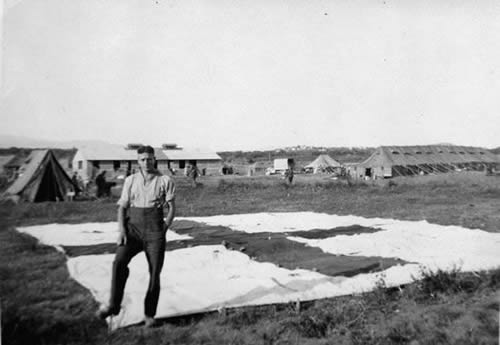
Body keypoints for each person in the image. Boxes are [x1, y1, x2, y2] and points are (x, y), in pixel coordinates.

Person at [96, 145, 176, 328]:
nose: (146, 162)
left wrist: (164, 228)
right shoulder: (131, 180)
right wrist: (122, 231)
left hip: (155, 230)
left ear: (154, 159)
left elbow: (172, 208)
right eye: (142, 159)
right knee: (119, 262)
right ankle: (113, 305)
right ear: (137, 161)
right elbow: (122, 207)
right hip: (132, 229)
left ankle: (149, 315)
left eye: (149, 159)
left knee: (154, 273)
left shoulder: (165, 180)